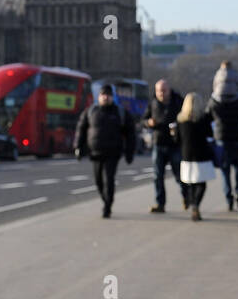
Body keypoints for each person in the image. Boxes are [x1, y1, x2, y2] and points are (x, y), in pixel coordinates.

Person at [75, 84, 136, 218]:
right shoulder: (91, 111)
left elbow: (130, 133)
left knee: (109, 179)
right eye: (103, 95)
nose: (105, 97)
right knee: (98, 181)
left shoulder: (119, 112)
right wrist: (78, 147)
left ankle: (107, 206)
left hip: (113, 153)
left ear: (112, 97)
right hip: (95, 152)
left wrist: (129, 152)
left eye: (108, 95)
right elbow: (81, 129)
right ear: (99, 96)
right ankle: (106, 199)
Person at [144, 79, 189, 213]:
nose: (161, 93)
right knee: (158, 176)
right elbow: (143, 120)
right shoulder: (152, 103)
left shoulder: (178, 101)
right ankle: (160, 203)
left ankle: (187, 198)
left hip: (175, 144)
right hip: (159, 144)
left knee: (179, 176)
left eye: (164, 90)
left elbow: (186, 116)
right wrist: (148, 122)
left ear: (169, 90)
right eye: (159, 91)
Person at [208, 62, 238, 211]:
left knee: (225, 170)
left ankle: (228, 197)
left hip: (221, 137)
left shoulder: (214, 101)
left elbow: (208, 116)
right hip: (237, 136)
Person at [174, 92, 215, 221]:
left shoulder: (180, 120)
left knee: (190, 183)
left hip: (186, 155)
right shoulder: (204, 118)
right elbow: (210, 135)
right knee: (201, 184)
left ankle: (192, 204)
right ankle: (196, 205)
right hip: (202, 154)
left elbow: (177, 140)